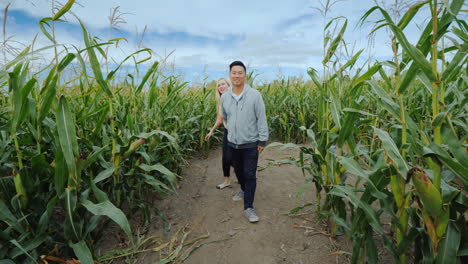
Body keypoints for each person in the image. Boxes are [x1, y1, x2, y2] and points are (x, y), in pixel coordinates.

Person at [221, 61, 268, 223]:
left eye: (240, 72)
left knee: (249, 174)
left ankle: (249, 207)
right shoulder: (225, 97)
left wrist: (262, 140)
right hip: (232, 143)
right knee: (239, 172)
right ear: (230, 75)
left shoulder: (255, 95)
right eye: (234, 73)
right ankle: (242, 188)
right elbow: (225, 117)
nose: (237, 75)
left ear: (245, 75)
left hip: (250, 144)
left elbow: (261, 118)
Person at [205, 78, 233, 189]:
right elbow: (220, 119)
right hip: (227, 132)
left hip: (238, 132)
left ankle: (246, 175)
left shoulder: (234, 97)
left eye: (223, 84)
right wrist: (211, 131)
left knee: (237, 157)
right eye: (219, 85)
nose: (221, 86)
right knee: (226, 158)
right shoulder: (220, 101)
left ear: (228, 85)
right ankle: (226, 181)